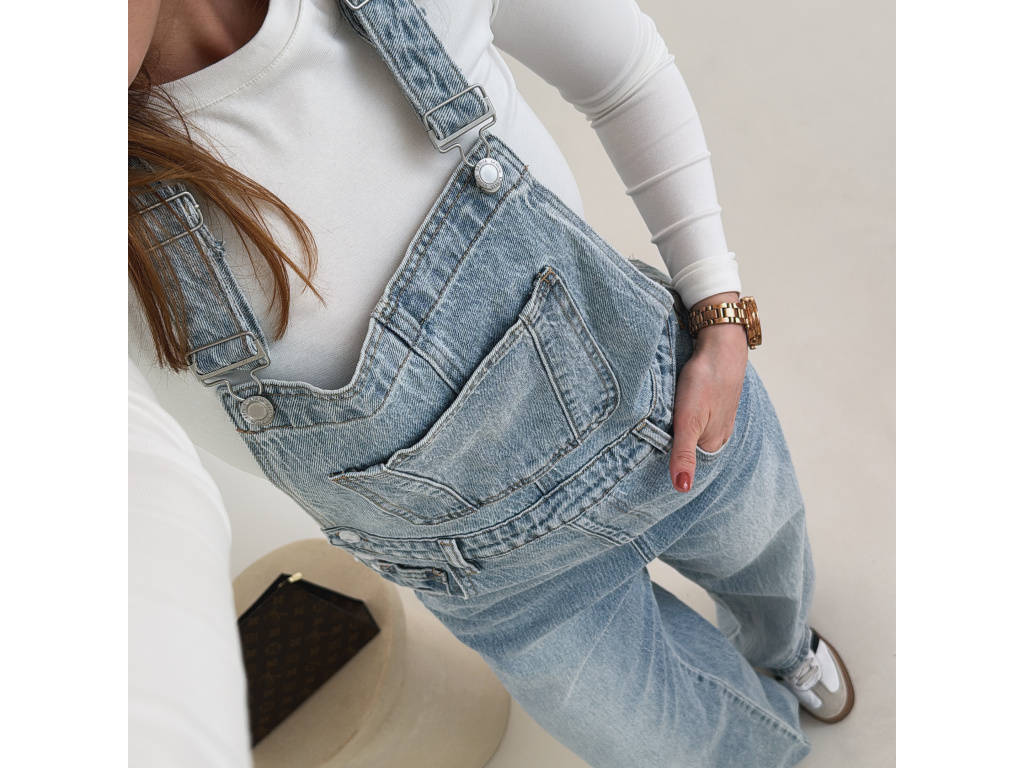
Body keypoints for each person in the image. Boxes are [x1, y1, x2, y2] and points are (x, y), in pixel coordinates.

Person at [128, 0, 854, 765]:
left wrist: (719, 314)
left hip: (669, 419)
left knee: (769, 567)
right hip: (509, 594)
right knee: (690, 750)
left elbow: (623, 71)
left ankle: (784, 649)